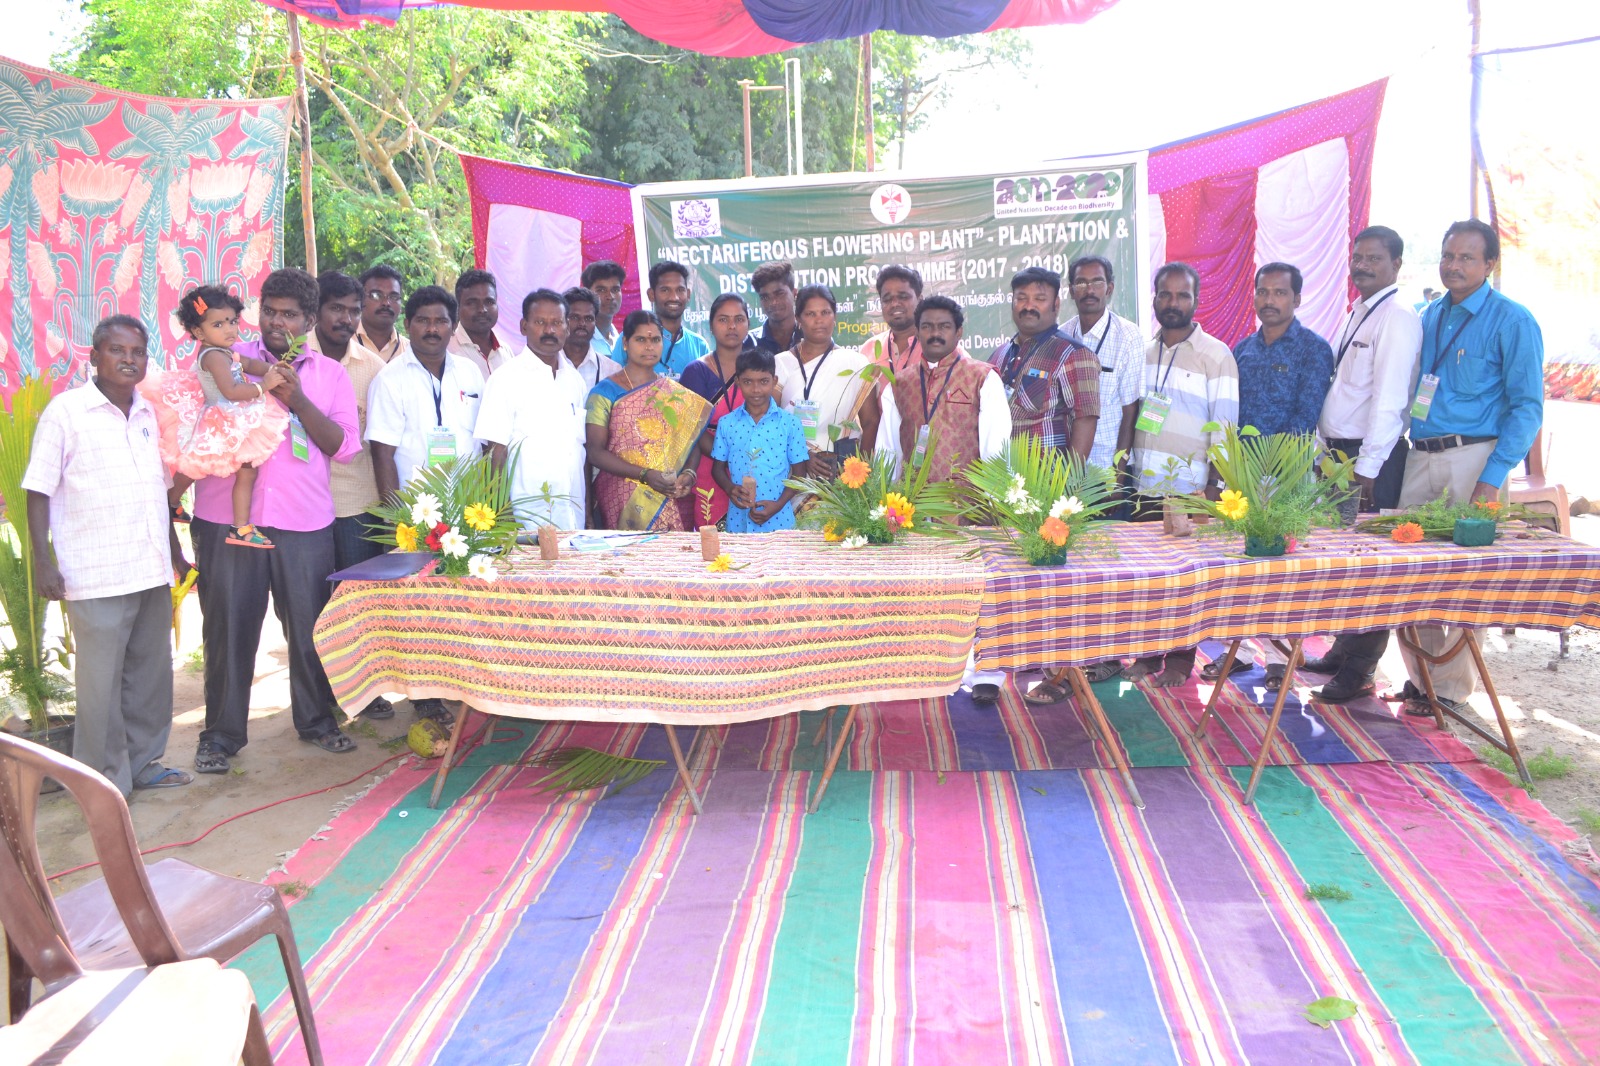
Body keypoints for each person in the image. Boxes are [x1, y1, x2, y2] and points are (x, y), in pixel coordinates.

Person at [1318, 220, 1543, 709]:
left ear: (1489, 264)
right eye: (1447, 256)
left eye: (1466, 258)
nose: (1454, 266)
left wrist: (1493, 474)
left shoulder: (1513, 320)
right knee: (1412, 573)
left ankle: (1452, 692)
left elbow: (1528, 407)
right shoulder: (1427, 315)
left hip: (1475, 458)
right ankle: (1422, 679)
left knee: (1464, 578)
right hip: (1421, 453)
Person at [190, 268, 363, 772]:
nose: (276, 322)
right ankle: (220, 736)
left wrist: (297, 399)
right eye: (269, 310)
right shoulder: (225, 359)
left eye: (289, 314)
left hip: (303, 521)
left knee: (310, 625)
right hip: (226, 516)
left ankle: (316, 721)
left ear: (310, 320)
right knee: (227, 625)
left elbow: (344, 447)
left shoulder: (329, 374)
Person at [23, 315, 192, 796]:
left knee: (150, 678)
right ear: (94, 356)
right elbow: (38, 490)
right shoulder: (67, 412)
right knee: (100, 689)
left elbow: (158, 492)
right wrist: (43, 560)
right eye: (118, 350)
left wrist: (176, 552)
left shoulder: (147, 414)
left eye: (138, 352)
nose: (129, 359)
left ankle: (142, 764)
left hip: (149, 568)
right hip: (94, 574)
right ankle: (100, 782)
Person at [878, 295, 1011, 702]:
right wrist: (886, 502)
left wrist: (996, 503)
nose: (935, 334)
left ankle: (988, 674)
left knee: (980, 590)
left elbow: (997, 444)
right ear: (916, 332)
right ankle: (928, 669)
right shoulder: (898, 384)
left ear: (959, 332)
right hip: (914, 508)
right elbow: (887, 448)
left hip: (969, 505)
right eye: (928, 326)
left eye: (944, 327)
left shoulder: (983, 377)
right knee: (926, 589)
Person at [1120, 262, 1239, 688]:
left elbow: (1224, 426)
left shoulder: (1216, 355)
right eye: (1165, 295)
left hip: (1190, 488)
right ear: (1153, 299)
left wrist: (1214, 488)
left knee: (1186, 579)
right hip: (1143, 484)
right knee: (1148, 577)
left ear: (1196, 300)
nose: (1173, 303)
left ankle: (1180, 660)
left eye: (1182, 295)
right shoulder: (1144, 353)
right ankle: (1149, 656)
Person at [140, 285, 289, 550]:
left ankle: (172, 503)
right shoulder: (213, 357)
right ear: (199, 332)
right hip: (225, 418)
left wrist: (274, 367)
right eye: (218, 324)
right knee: (242, 470)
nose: (230, 329)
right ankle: (240, 527)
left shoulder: (224, 351)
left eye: (232, 321)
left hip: (229, 416)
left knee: (197, 465)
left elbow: (250, 364)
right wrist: (264, 386)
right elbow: (231, 392)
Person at [309, 271, 394, 720]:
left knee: (358, 604)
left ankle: (364, 691)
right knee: (312, 608)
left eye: (351, 311)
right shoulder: (293, 357)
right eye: (335, 309)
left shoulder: (373, 369)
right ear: (316, 311)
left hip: (359, 503)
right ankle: (318, 697)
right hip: (303, 507)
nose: (344, 319)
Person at [1318, 225, 1421, 514]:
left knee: (1366, 553)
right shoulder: (1357, 312)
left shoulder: (1396, 315)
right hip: (1340, 456)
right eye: (1357, 258)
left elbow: (1390, 399)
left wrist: (1368, 468)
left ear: (1396, 264)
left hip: (1371, 463)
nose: (1362, 266)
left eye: (1373, 259)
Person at [586, 310, 712, 530]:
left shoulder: (675, 393)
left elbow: (690, 443)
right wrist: (645, 475)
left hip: (669, 496)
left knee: (672, 561)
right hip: (621, 498)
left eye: (655, 340)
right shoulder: (605, 392)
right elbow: (595, 452)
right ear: (625, 343)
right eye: (640, 339)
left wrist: (689, 474)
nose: (649, 346)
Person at [475, 289, 589, 531]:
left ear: (566, 328)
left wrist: (587, 513)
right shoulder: (505, 379)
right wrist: (502, 516)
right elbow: (495, 452)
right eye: (540, 322)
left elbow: (580, 452)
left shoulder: (575, 381)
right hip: (524, 521)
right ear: (524, 326)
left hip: (572, 518)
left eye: (556, 323)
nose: (549, 330)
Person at [367, 286, 485, 498]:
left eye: (441, 322)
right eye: (423, 321)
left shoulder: (470, 372)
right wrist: (395, 520)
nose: (432, 329)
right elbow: (382, 454)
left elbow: (485, 442)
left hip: (471, 509)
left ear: (454, 326)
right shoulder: (389, 380)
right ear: (407, 325)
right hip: (416, 513)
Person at [988, 266, 1100, 461]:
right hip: (1000, 482)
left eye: (1039, 299)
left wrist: (1069, 484)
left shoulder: (1075, 355)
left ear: (1056, 304)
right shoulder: (999, 355)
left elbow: (1086, 420)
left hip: (1047, 484)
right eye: (1021, 298)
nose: (1029, 306)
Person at [775, 285, 881, 479]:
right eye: (810, 314)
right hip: (792, 471)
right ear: (798, 319)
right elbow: (770, 422)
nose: (819, 320)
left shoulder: (856, 363)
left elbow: (871, 421)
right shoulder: (781, 363)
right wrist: (802, 456)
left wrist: (860, 474)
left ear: (835, 316)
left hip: (840, 472)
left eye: (825, 312)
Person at [711, 349, 810, 533]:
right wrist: (730, 488)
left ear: (774, 381)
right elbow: (717, 469)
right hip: (738, 519)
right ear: (738, 382)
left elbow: (799, 474)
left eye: (763, 382)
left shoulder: (790, 424)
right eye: (748, 382)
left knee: (778, 562)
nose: (756, 390)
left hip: (779, 520)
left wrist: (778, 504)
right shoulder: (727, 423)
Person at [1231, 262, 1334, 438]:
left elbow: (1306, 416)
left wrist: (1269, 459)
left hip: (1286, 462)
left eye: (1280, 293)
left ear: (1297, 300)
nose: (1269, 301)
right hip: (1238, 462)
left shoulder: (1313, 348)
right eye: (1262, 292)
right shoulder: (1243, 349)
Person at [1062, 255, 1143, 478]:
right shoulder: (1062, 336)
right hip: (1068, 471)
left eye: (1097, 282)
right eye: (1081, 283)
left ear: (1109, 288)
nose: (1089, 290)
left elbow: (1130, 411)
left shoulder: (1128, 336)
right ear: (1071, 290)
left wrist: (1118, 474)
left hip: (1108, 470)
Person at [680, 293, 751, 528]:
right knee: (713, 547)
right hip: (709, 469)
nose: (732, 326)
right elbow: (693, 431)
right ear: (710, 325)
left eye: (739, 319)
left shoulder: (759, 369)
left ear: (748, 324)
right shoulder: (696, 371)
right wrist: (732, 458)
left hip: (753, 469)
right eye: (723, 319)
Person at [630, 260, 709, 377]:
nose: (674, 297)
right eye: (665, 290)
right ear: (651, 295)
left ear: (688, 295)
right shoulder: (632, 338)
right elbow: (616, 386)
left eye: (680, 290)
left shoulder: (699, 345)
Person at [859, 265, 923, 394]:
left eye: (903, 297)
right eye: (887, 299)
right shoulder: (868, 350)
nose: (895, 304)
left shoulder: (939, 347)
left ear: (919, 300)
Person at [449, 268, 517, 378]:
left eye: (489, 302)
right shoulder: (447, 350)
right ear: (458, 307)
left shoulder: (505, 352)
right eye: (472, 303)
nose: (482, 309)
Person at [562, 286, 622, 391]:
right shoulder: (546, 366)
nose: (582, 324)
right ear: (562, 321)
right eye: (575, 317)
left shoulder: (612, 371)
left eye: (588, 318)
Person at [355, 264, 408, 362]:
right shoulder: (344, 343)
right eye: (376, 295)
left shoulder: (410, 352)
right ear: (360, 299)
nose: (386, 303)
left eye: (393, 297)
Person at [746, 261, 799, 354]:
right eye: (765, 297)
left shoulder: (811, 337)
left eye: (779, 294)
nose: (773, 302)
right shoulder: (749, 343)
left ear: (794, 293)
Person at [581, 259, 626, 359]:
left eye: (615, 290)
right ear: (587, 293)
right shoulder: (580, 340)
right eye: (601, 290)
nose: (610, 296)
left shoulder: (619, 338)